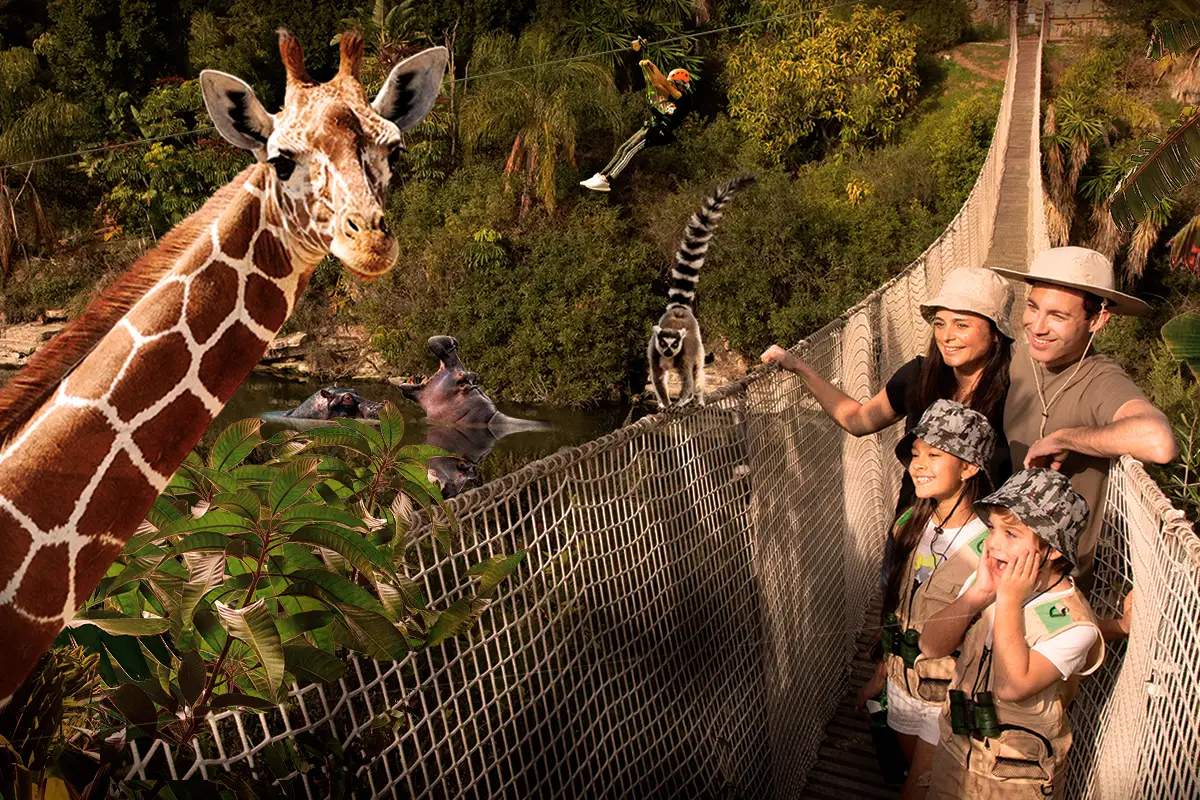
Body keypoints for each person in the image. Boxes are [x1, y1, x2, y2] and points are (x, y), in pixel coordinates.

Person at [761, 266, 1015, 530]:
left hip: (984, 545)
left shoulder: (1016, 393)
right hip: (912, 535)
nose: (946, 336)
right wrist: (799, 369)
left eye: (962, 324)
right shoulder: (919, 377)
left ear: (996, 333)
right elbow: (858, 421)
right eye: (940, 323)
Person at [992, 247, 1177, 588]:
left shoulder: (1101, 380)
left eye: (1058, 316)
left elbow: (1159, 442)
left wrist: (1066, 438)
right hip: (1007, 554)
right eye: (1033, 307)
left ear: (1097, 321)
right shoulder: (1025, 359)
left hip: (1057, 581)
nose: (1037, 326)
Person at [920, 468, 1104, 799]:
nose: (992, 544)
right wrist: (977, 593)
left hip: (1013, 783)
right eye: (992, 529)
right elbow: (930, 646)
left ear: (1052, 549)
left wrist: (1007, 599)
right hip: (955, 758)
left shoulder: (1075, 626)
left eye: (1011, 534)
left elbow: (1014, 685)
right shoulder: (990, 580)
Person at [855, 400, 997, 799]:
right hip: (903, 688)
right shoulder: (909, 524)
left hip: (950, 702)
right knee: (909, 778)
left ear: (969, 468)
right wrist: (880, 676)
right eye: (916, 454)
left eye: (935, 455)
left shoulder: (992, 545)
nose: (918, 464)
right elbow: (895, 609)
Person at [580, 60, 693, 192]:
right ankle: (601, 175)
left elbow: (664, 83)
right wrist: (647, 68)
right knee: (623, 148)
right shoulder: (674, 98)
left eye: (673, 84)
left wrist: (652, 65)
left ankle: (608, 180)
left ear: (680, 85)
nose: (671, 86)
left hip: (658, 133)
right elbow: (656, 84)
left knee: (630, 151)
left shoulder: (685, 99)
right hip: (652, 126)